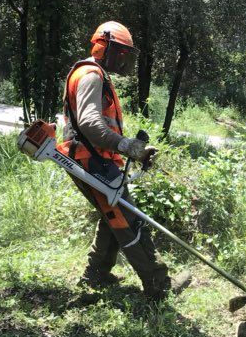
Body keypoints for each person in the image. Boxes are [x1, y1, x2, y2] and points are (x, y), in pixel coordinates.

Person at [60, 20, 189, 301]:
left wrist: (128, 148)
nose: (123, 58)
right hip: (90, 159)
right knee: (128, 221)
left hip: (94, 158)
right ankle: (158, 285)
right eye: (120, 52)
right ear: (104, 47)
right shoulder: (92, 75)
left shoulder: (96, 74)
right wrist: (126, 145)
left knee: (113, 215)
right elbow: (90, 123)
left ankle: (96, 274)